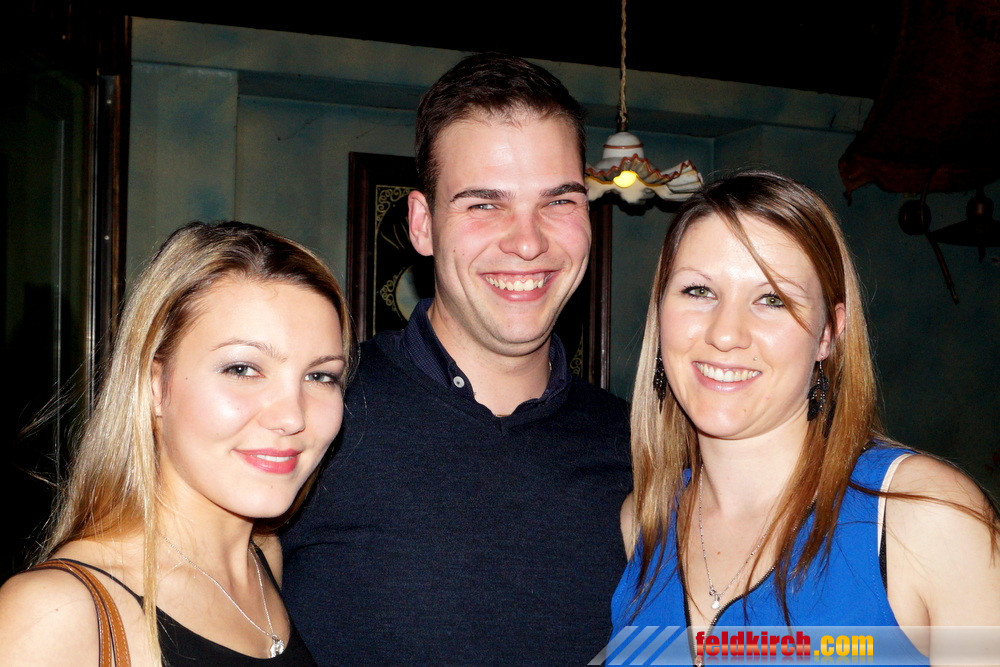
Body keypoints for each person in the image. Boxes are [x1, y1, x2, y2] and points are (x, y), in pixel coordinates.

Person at [280, 52, 632, 664]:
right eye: (484, 204)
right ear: (422, 224)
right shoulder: (312, 418)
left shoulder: (643, 446)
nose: (528, 242)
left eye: (559, 202)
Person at [610, 170, 1000, 665]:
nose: (725, 334)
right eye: (698, 291)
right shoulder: (642, 524)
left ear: (828, 335)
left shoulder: (925, 517)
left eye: (772, 298)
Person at [0, 221, 353, 665]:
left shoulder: (261, 559)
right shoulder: (53, 614)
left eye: (320, 376)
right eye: (242, 369)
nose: (292, 417)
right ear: (154, 384)